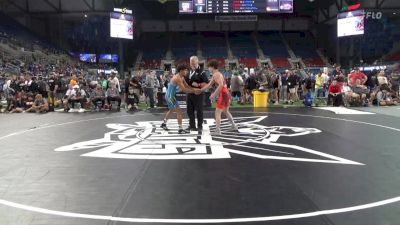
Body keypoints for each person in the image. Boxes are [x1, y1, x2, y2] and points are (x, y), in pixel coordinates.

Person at [200, 60, 238, 135]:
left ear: (213, 67)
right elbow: (209, 85)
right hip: (226, 94)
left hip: (223, 94)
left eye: (209, 67)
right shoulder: (217, 74)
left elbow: (220, 85)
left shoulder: (216, 74)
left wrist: (214, 94)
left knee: (217, 112)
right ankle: (234, 126)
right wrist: (200, 90)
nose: (208, 69)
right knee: (226, 111)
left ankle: (217, 130)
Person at [160, 64, 200, 134]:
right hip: (170, 96)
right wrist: (194, 91)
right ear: (181, 71)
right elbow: (184, 90)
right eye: (186, 70)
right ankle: (180, 129)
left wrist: (194, 89)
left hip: (170, 95)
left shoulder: (181, 77)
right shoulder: (178, 78)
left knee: (171, 110)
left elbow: (187, 86)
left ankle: (163, 124)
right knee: (179, 111)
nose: (187, 72)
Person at [186, 56, 209, 131]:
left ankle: (200, 126)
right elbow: (186, 81)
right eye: (191, 63)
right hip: (189, 94)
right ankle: (192, 125)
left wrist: (198, 85)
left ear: (197, 62)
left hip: (198, 94)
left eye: (193, 63)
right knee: (189, 110)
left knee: (199, 110)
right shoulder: (188, 71)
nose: (192, 65)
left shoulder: (202, 72)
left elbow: (206, 83)